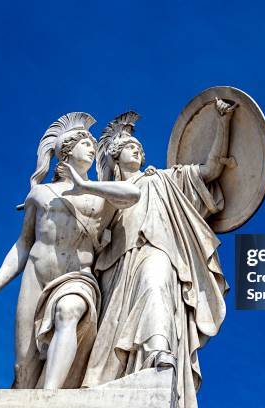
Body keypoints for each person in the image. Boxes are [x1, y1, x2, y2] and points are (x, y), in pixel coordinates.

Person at [0, 112, 140, 389]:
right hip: (36, 276)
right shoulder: (39, 194)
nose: (92, 148)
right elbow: (24, 244)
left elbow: (133, 195)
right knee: (23, 368)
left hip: (77, 277)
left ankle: (50, 397)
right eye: (86, 143)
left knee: (68, 312)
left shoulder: (100, 193)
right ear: (67, 152)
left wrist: (85, 185)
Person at [82, 100, 235, 408]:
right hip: (117, 268)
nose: (138, 150)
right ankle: (125, 375)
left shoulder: (164, 178)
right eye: (130, 147)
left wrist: (222, 121)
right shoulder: (103, 195)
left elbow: (212, 168)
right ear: (115, 156)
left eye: (140, 146)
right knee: (110, 333)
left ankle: (158, 351)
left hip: (159, 251)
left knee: (155, 285)